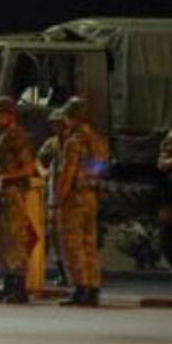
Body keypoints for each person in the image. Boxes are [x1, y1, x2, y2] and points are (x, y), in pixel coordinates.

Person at [56, 96, 109, 307]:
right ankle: (93, 289)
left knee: (73, 244)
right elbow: (102, 169)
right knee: (90, 243)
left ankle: (81, 288)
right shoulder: (99, 142)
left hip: (75, 197)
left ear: (73, 117)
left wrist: (59, 199)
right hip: (92, 196)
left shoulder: (73, 142)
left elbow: (68, 173)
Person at [0, 96, 36, 304]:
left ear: (10, 115)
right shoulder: (4, 137)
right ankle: (8, 285)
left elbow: (29, 168)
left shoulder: (18, 138)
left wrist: (7, 176)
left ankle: (19, 287)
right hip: (2, 194)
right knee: (2, 240)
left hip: (14, 193)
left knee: (16, 239)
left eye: (0, 115)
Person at [36, 109, 69, 287]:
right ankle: (60, 272)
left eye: (59, 125)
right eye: (54, 125)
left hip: (71, 196)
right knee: (53, 234)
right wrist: (44, 172)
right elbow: (38, 159)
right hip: (54, 195)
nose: (57, 128)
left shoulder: (73, 143)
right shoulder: (52, 144)